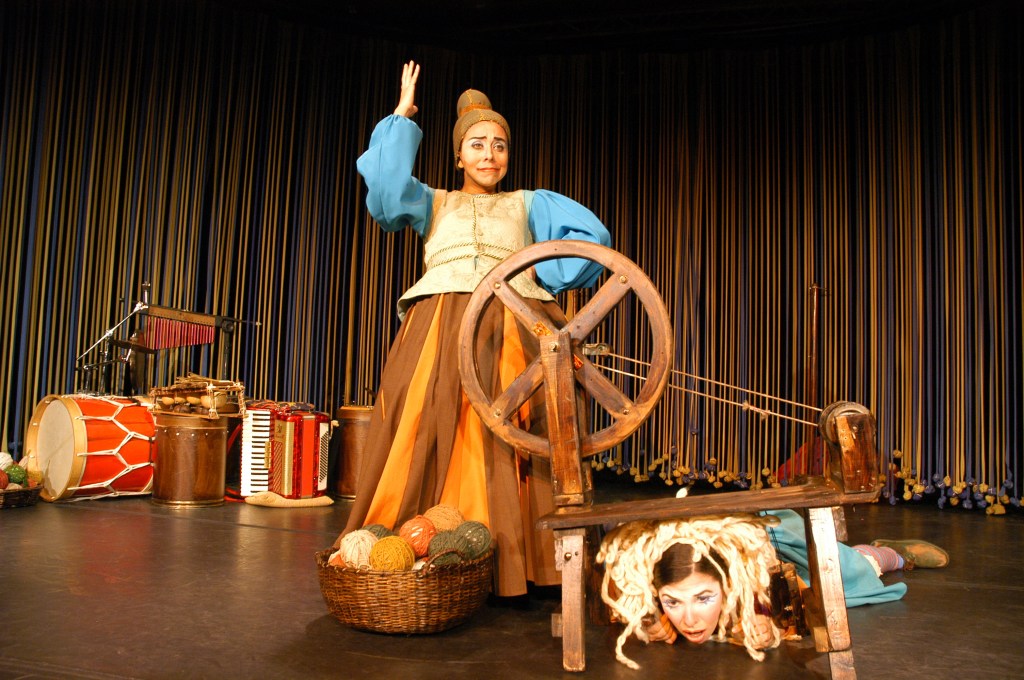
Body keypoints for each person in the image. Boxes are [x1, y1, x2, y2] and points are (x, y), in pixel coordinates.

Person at [336, 61, 611, 597]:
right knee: (426, 415)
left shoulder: (527, 203)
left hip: (514, 322)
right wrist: (402, 116)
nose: (490, 155)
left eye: (499, 146)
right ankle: (422, 546)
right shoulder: (432, 201)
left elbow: (592, 237)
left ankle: (524, 559)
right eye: (478, 145)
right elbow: (386, 193)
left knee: (519, 425)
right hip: (440, 324)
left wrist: (540, 279)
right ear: (458, 155)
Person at [596, 511, 948, 669]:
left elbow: (779, 598)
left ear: (728, 584)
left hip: (772, 537)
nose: (688, 619)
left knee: (841, 575)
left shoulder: (749, 565)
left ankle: (888, 553)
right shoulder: (641, 574)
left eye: (703, 598)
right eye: (673, 602)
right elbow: (619, 589)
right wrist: (646, 620)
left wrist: (765, 617)